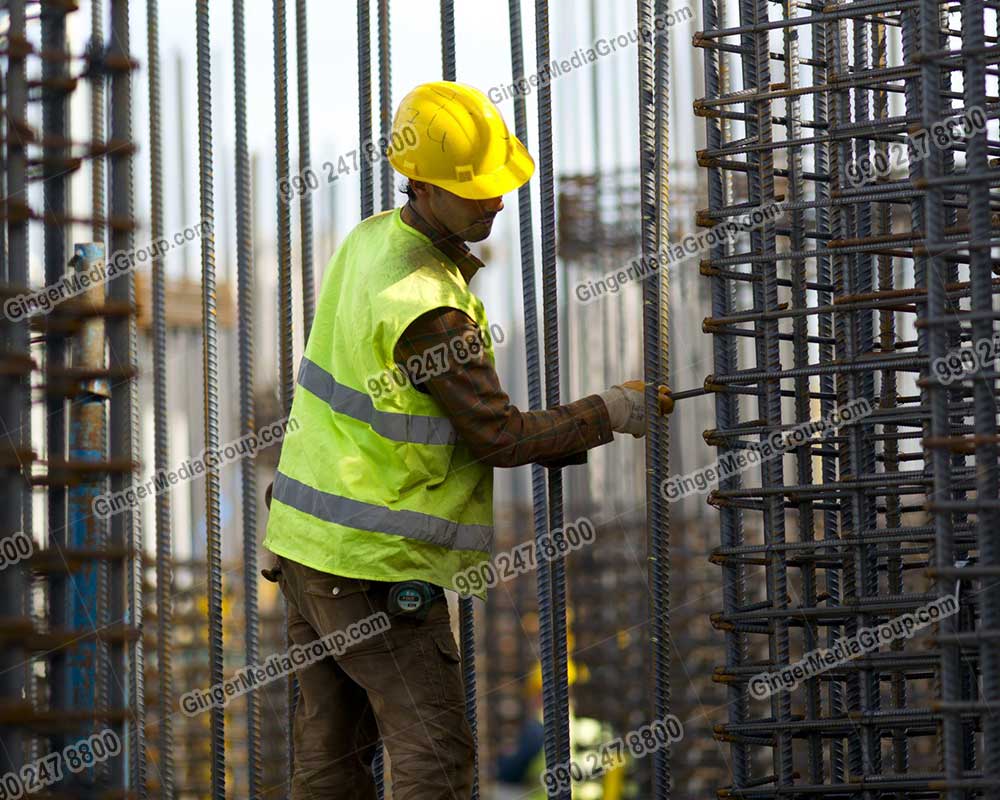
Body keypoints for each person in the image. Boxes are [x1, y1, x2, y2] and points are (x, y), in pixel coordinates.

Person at [261, 80, 673, 800]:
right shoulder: (431, 310)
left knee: (329, 764)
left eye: (496, 184)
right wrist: (613, 412)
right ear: (420, 186)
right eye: (475, 190)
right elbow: (500, 438)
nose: (496, 201)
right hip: (373, 570)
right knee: (436, 762)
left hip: (304, 548)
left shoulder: (368, 243)